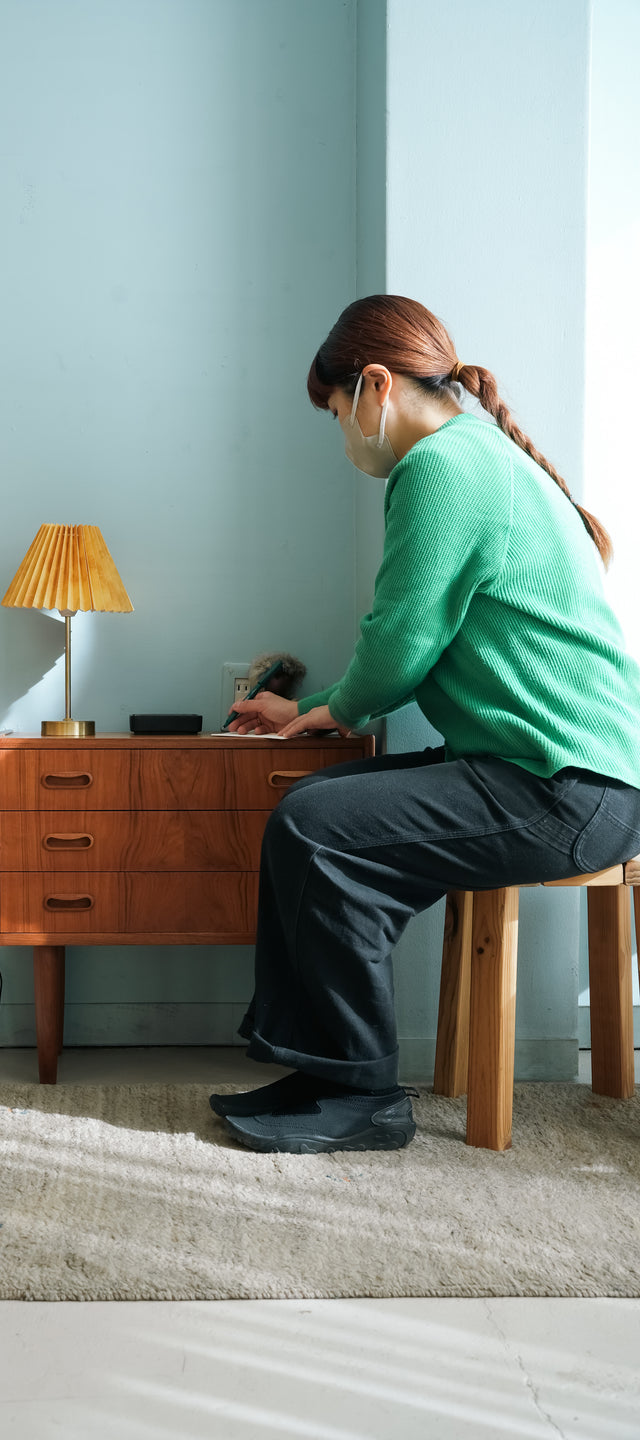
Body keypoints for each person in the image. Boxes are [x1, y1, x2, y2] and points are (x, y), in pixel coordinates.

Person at [211, 294, 640, 1155]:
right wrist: (314, 711)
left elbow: (403, 641)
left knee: (316, 827)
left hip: (566, 786)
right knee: (316, 815)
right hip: (548, 772)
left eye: (337, 414)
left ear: (375, 385)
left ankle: (363, 1095)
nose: (342, 440)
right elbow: (411, 637)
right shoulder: (478, 453)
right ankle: (328, 1067)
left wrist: (322, 709)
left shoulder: (442, 467)